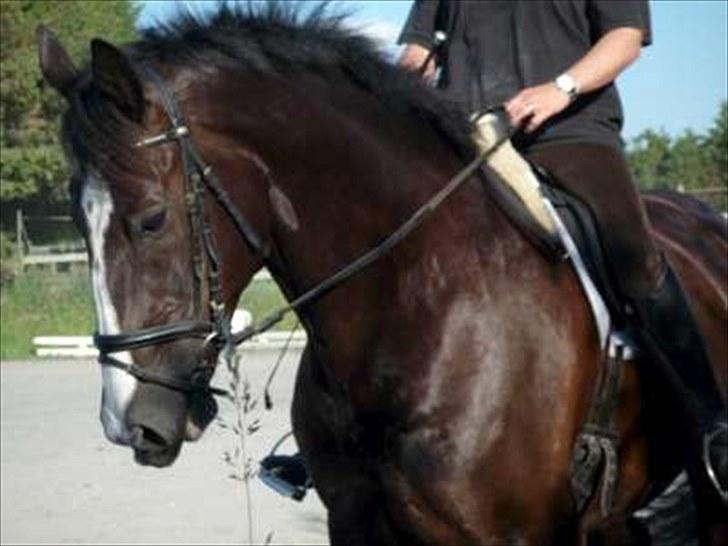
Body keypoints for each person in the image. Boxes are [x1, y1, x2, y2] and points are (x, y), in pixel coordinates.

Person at [398, 0, 726, 503]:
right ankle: (334, 431)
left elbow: (625, 37)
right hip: (460, 141)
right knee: (383, 245)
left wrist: (560, 89)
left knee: (634, 257)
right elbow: (419, 50)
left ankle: (711, 426)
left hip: (566, 132)